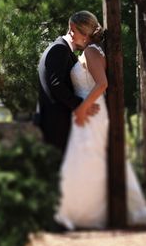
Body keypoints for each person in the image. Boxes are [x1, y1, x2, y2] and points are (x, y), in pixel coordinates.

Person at [51, 11, 146, 230]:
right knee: (83, 162)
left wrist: (81, 109)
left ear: (84, 33)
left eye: (73, 30)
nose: (70, 33)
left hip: (91, 114)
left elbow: (102, 84)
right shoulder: (89, 51)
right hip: (87, 113)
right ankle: (80, 212)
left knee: (92, 160)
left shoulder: (92, 52)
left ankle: (94, 213)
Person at [36, 13, 100, 153]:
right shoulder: (59, 49)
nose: (86, 40)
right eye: (84, 34)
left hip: (56, 122)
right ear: (72, 29)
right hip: (57, 123)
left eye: (89, 36)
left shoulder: (61, 49)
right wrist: (82, 105)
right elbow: (56, 85)